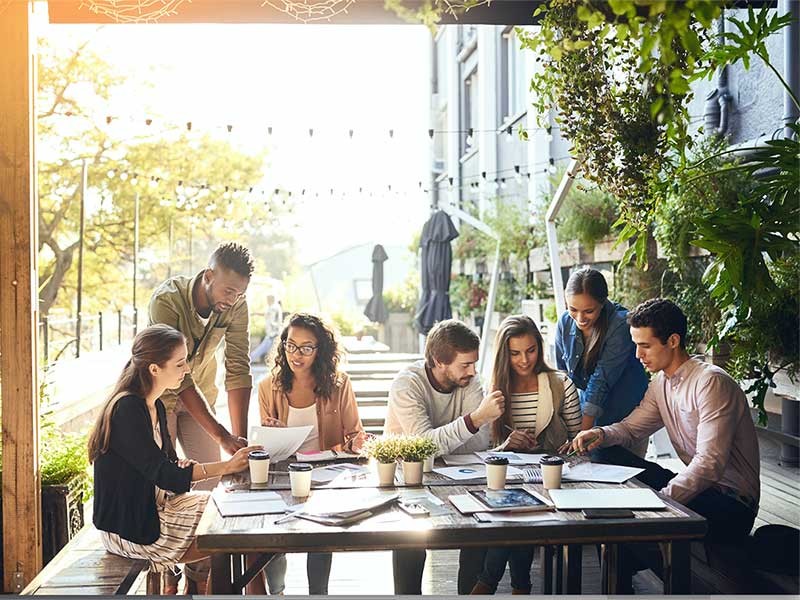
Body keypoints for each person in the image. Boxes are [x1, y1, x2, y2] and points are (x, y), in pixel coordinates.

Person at [571, 298, 760, 590]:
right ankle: (623, 578)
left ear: (673, 340)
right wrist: (601, 433)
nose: (637, 355)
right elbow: (631, 428)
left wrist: (659, 501)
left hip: (730, 504)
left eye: (645, 346)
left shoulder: (710, 382)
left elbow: (709, 463)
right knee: (604, 451)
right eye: (635, 345)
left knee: (625, 530)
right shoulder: (661, 383)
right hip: (697, 490)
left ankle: (656, 575)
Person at [89, 324, 262, 594]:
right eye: (180, 363)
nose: (187, 370)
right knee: (226, 528)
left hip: (156, 507)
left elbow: (167, 469)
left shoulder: (155, 404)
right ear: (154, 369)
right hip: (131, 527)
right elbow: (163, 474)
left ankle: (226, 591)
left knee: (231, 512)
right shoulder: (127, 409)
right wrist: (227, 466)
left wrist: (180, 467)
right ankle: (228, 592)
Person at [384, 319, 505, 595]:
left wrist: (451, 438)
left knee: (479, 527)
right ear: (439, 361)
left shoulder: (471, 381)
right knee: (410, 537)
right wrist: (474, 419)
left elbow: (476, 446)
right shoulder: (407, 385)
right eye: (465, 365)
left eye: (474, 363)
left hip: (461, 477)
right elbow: (424, 445)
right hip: (407, 481)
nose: (473, 371)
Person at [257, 313, 370, 595]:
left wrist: (355, 444)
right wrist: (275, 432)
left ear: (321, 350)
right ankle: (277, 592)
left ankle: (318, 593)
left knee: (320, 535)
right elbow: (264, 446)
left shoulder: (339, 384)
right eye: (291, 345)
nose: (297, 354)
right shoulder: (267, 386)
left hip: (325, 472)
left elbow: (355, 434)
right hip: (281, 472)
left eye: (307, 347)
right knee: (275, 533)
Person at [471, 315, 583, 595]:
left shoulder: (560, 384)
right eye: (515, 353)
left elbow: (578, 441)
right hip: (504, 482)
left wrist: (561, 451)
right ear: (503, 354)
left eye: (531, 351)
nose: (524, 360)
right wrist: (506, 445)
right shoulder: (492, 389)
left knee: (517, 514)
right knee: (515, 511)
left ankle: (487, 584)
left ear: (540, 348)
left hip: (551, 480)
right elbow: (481, 451)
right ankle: (520, 587)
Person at [148, 242, 254, 489]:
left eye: (239, 293)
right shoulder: (167, 302)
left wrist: (239, 444)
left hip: (201, 397)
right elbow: (179, 375)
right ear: (208, 276)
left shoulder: (236, 304)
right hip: (161, 399)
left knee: (212, 482)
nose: (233, 299)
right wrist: (221, 435)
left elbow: (238, 368)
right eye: (228, 291)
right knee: (163, 484)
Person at [556, 267, 649, 456]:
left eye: (589, 311)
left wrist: (582, 434)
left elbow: (600, 381)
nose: (580, 318)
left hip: (625, 419)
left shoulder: (620, 323)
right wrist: (572, 431)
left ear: (603, 301)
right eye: (573, 309)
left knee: (627, 477)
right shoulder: (565, 322)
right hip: (586, 418)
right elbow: (562, 378)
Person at [250, 294, 283, 363]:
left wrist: (254, 313)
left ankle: (249, 359)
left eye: (268, 299)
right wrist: (255, 313)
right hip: (273, 334)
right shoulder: (275, 307)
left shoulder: (273, 308)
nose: (267, 301)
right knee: (274, 350)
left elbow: (270, 317)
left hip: (273, 334)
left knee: (262, 349)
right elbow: (266, 314)